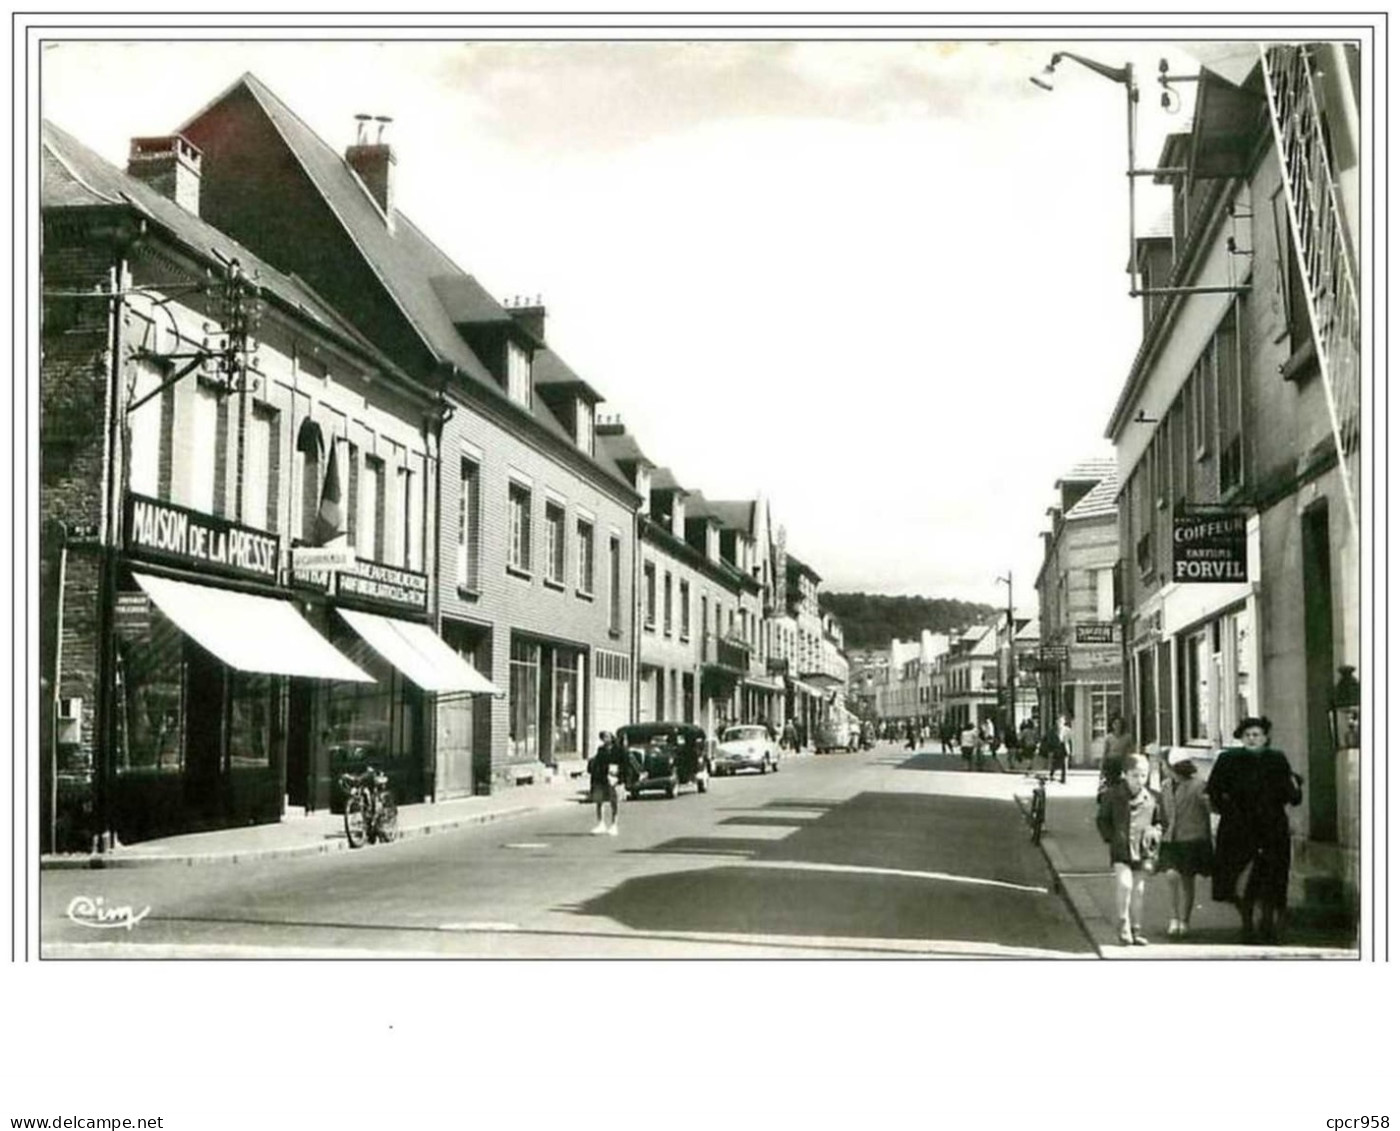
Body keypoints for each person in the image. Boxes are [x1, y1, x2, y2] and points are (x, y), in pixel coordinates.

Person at [1206, 716, 1303, 943]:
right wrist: (1228, 811)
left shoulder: (1277, 760)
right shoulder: (1228, 760)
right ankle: (1247, 923)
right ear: (1241, 737)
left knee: (1271, 878)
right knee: (1238, 879)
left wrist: (1295, 787)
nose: (1252, 739)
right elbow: (1213, 791)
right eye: (1247, 735)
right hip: (1238, 829)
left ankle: (1267, 923)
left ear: (1265, 737)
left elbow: (1292, 795)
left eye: (1256, 735)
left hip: (1272, 829)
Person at [1096, 753, 1163, 946]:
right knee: (1125, 885)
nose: (1139, 780)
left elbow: (1160, 821)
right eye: (1135, 775)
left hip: (1143, 850)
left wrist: (1154, 832)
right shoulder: (1113, 795)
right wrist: (1112, 837)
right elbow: (1102, 820)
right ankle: (1123, 924)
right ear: (1125, 774)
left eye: (1143, 775)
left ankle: (1137, 928)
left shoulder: (1152, 797)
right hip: (1121, 848)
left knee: (1139, 890)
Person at [1159, 749, 1213, 939]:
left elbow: (1210, 809)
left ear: (1174, 766)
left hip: (1192, 839)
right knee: (1172, 875)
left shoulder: (1198, 786)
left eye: (1164, 764)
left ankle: (1184, 920)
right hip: (1171, 839)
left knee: (1187, 880)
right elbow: (1163, 812)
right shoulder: (1165, 786)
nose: (1162, 768)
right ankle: (1174, 917)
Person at [587, 731, 623, 837]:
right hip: (601, 778)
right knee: (599, 801)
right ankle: (601, 823)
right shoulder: (601, 750)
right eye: (603, 737)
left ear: (612, 738)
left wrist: (620, 777)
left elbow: (624, 764)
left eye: (606, 737)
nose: (604, 739)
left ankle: (614, 824)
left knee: (613, 801)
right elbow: (597, 763)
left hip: (614, 778)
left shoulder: (618, 750)